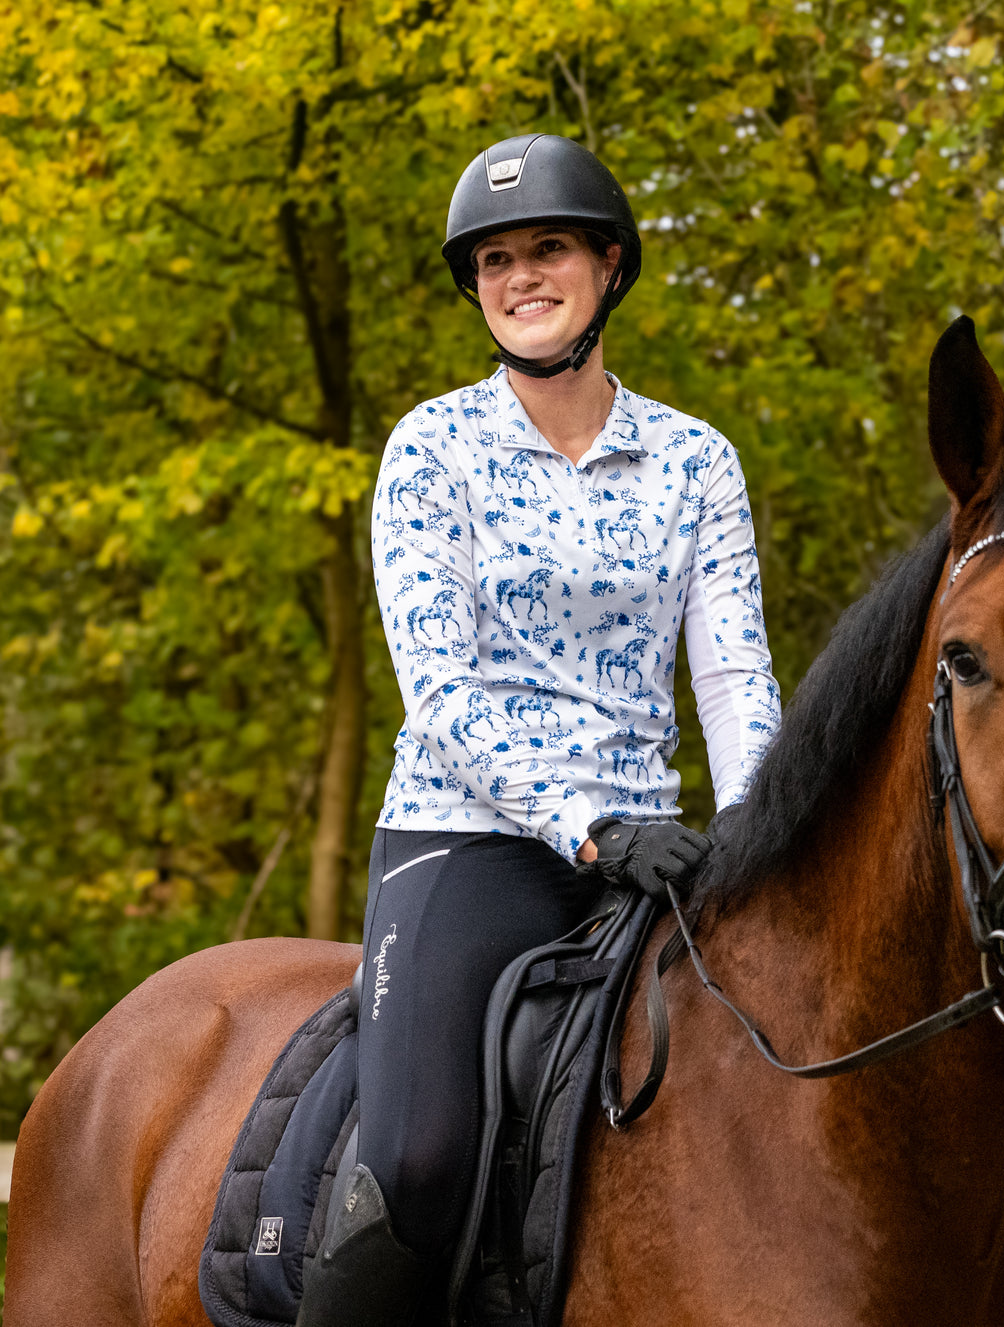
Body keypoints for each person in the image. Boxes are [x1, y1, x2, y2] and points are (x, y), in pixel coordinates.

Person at [296, 134, 782, 1326]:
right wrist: (592, 829)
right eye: (495, 259)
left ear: (607, 265)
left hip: (660, 854)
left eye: (547, 248)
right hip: (468, 840)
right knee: (416, 1158)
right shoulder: (431, 448)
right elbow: (440, 692)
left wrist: (759, 832)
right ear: (474, 287)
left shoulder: (693, 459)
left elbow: (729, 675)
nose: (520, 275)